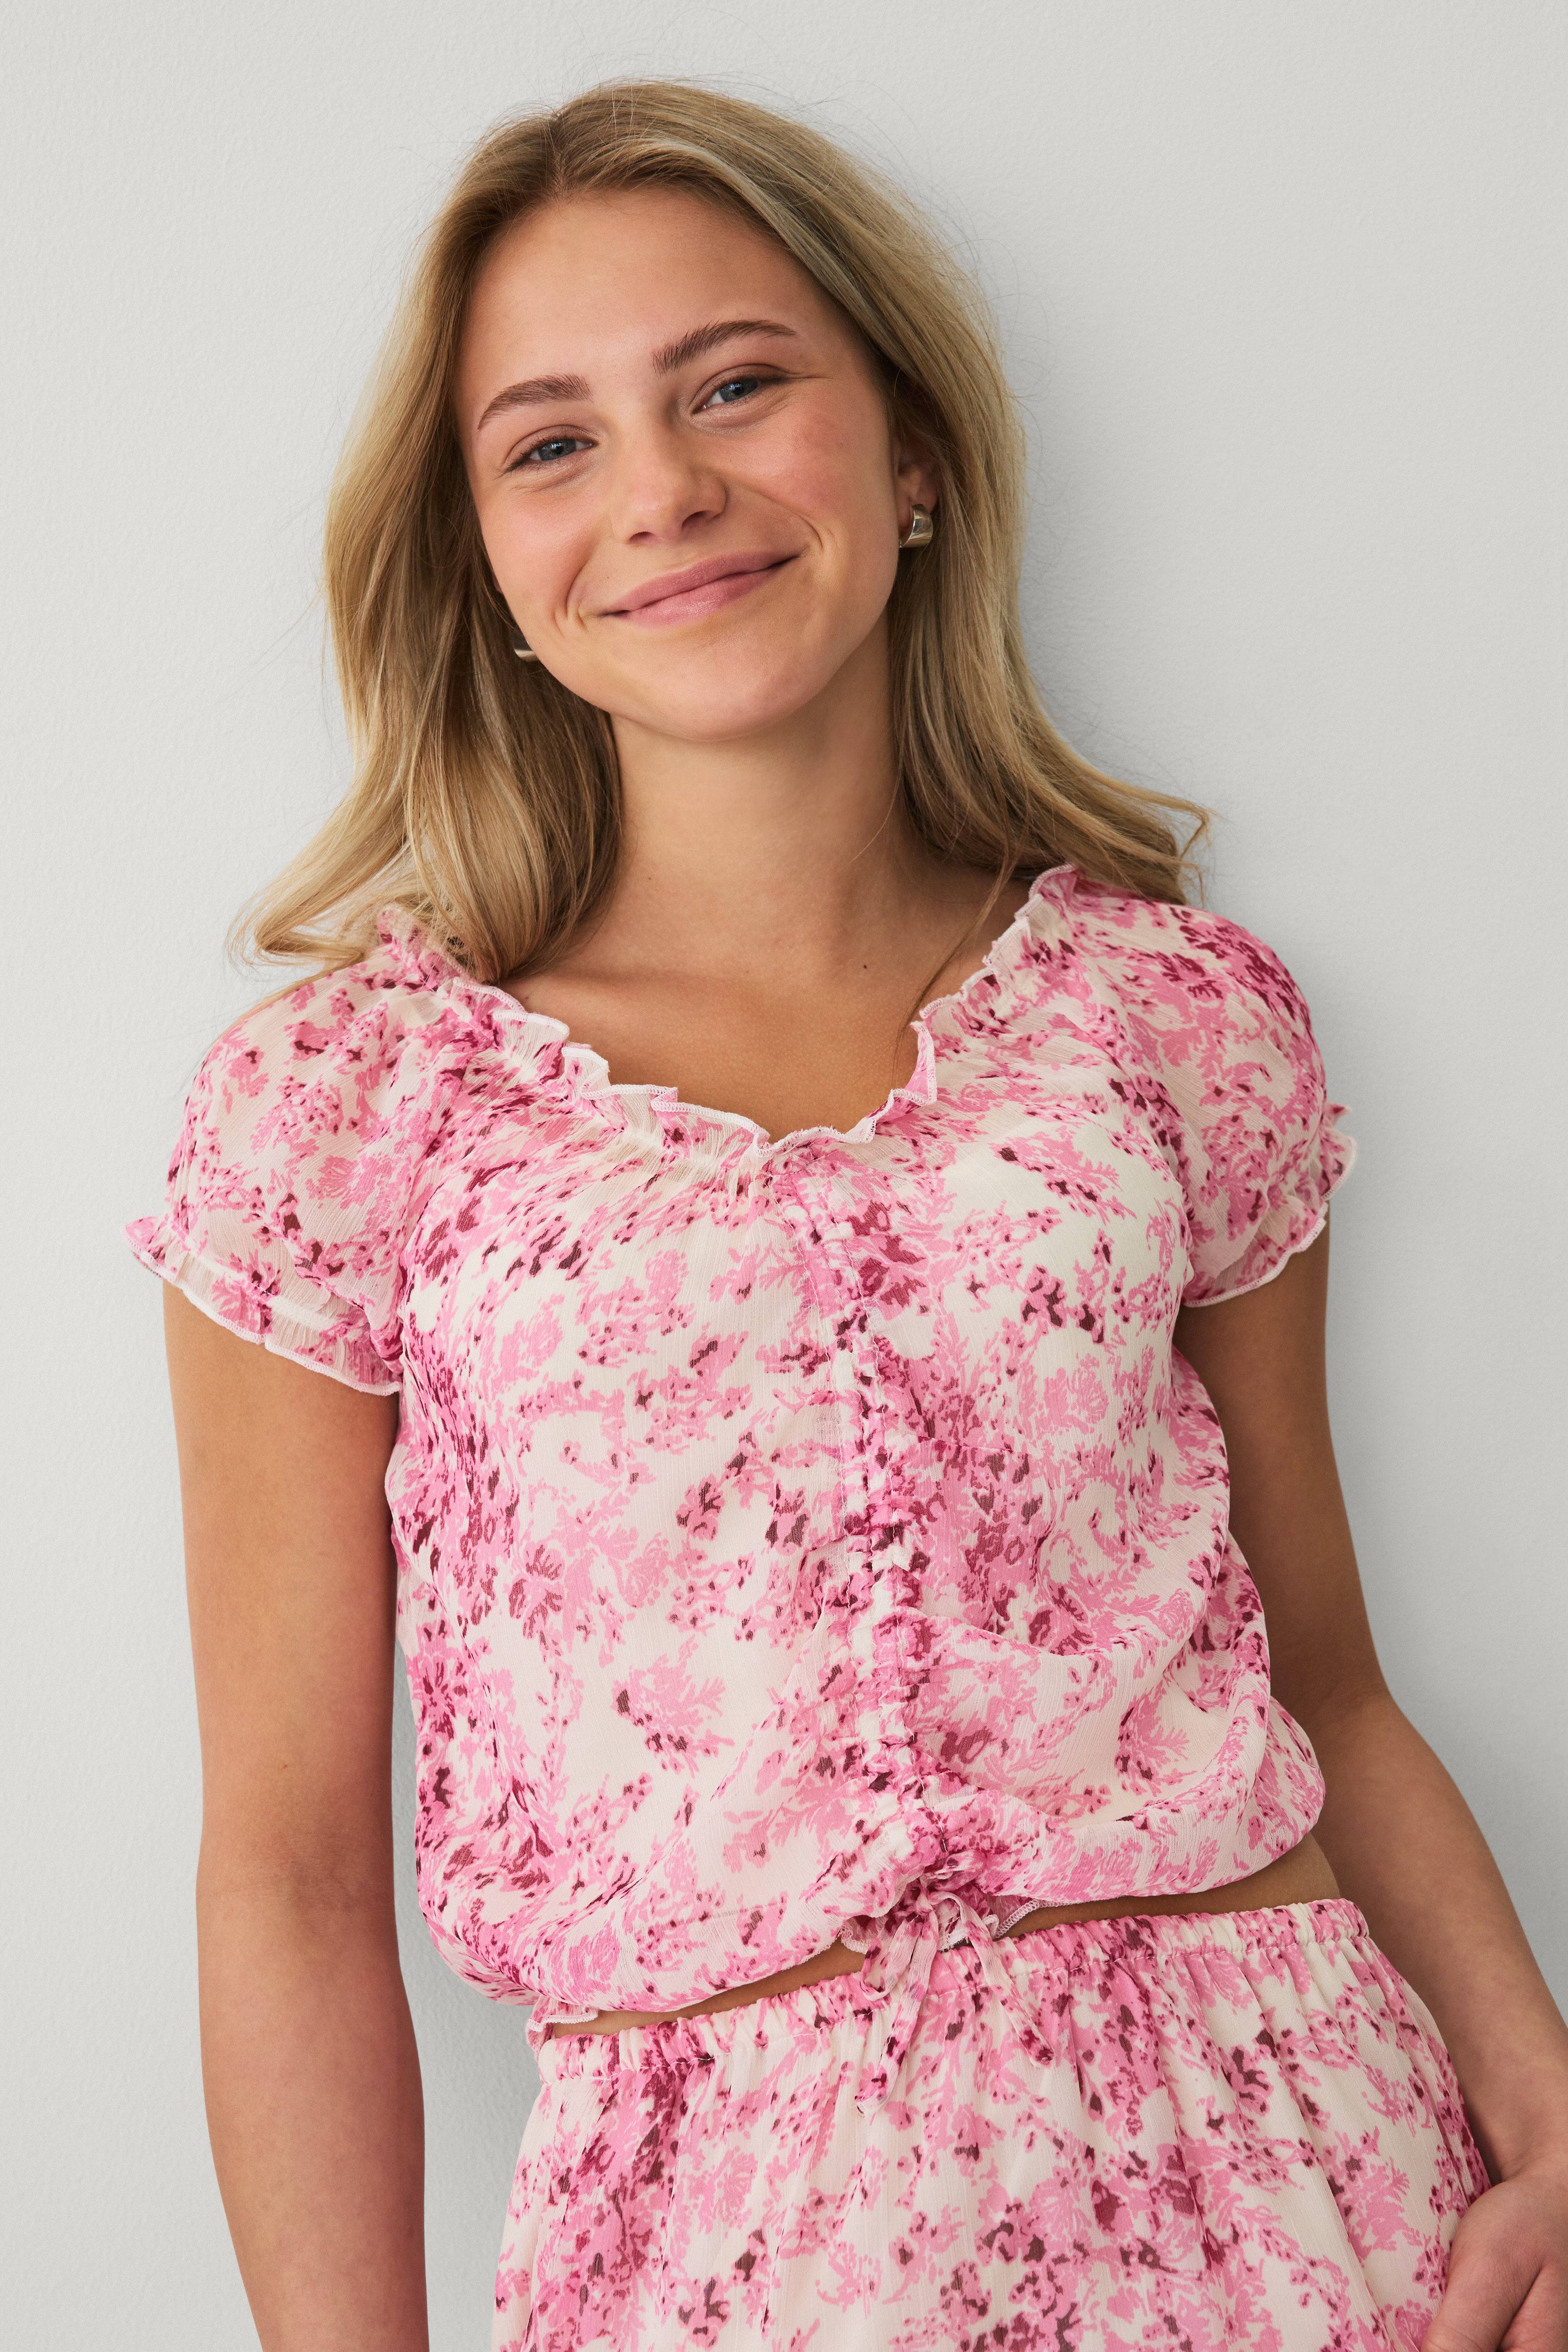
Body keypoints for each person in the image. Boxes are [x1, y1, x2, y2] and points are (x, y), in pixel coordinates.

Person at [129, 78, 1568, 2352]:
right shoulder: (349, 1118)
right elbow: (290, 1886)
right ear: (489, 565)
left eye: (733, 384)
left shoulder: (1172, 1023)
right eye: (553, 441)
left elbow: (1329, 1679)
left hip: (1317, 2194)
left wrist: (1556, 2131)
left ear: (913, 454)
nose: (663, 489)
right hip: (734, 2265)